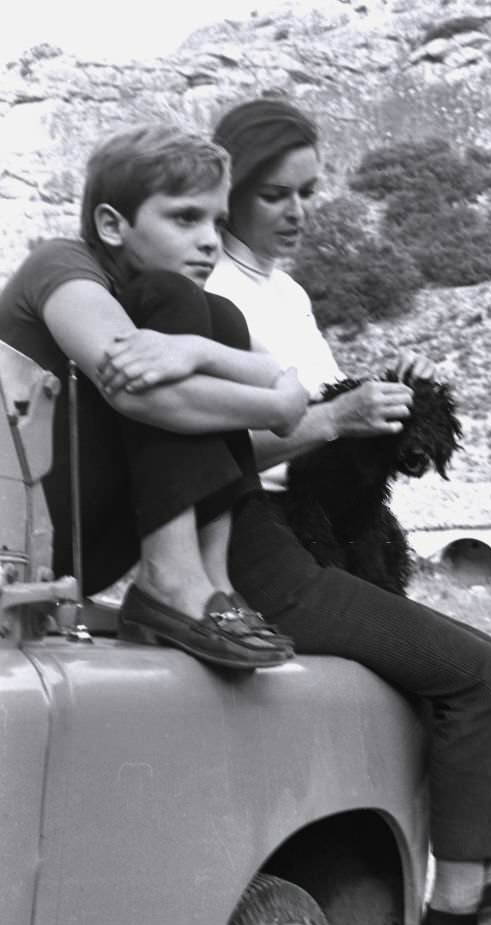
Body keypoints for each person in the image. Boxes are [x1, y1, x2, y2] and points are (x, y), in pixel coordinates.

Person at [83, 104, 491, 925]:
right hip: (262, 535)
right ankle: (474, 902)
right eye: (269, 195)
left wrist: (369, 424)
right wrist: (334, 416)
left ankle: (489, 893)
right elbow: (209, 448)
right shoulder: (204, 298)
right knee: (476, 668)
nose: (292, 213)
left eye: (308, 194)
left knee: (449, 669)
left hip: (306, 527)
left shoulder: (280, 293)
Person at [0, 123, 310, 669]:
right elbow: (141, 398)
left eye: (217, 221)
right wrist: (281, 405)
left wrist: (201, 351)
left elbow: (278, 375)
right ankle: (172, 579)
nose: (211, 240)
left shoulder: (182, 312)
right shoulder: (62, 265)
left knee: (219, 317)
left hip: (79, 543)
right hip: (21, 539)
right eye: (186, 218)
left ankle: (211, 581)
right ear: (112, 225)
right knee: (177, 304)